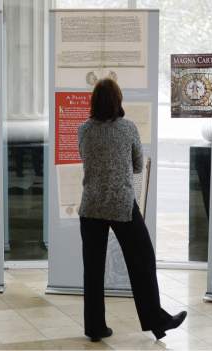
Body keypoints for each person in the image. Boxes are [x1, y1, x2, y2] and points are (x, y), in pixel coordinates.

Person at [77, 78, 187, 342]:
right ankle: (156, 320)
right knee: (143, 262)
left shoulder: (84, 130)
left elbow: (85, 159)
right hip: (122, 204)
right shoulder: (128, 129)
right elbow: (138, 165)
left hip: (91, 204)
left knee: (93, 269)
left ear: (94, 101)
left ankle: (94, 327)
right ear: (118, 101)